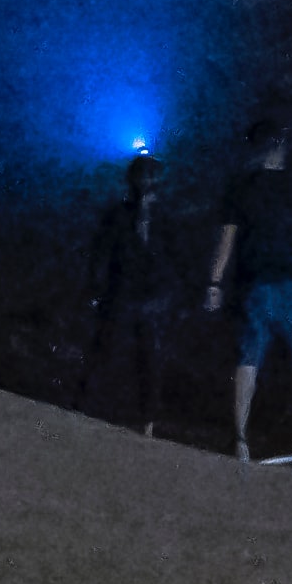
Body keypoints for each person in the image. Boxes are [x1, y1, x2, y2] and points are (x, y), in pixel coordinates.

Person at [208, 114, 292, 462]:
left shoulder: (242, 186)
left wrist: (214, 282)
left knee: (248, 360)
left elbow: (226, 241)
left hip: (255, 284)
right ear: (281, 146)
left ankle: (240, 440)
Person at [68, 146, 173, 430]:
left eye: (153, 180)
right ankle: (83, 408)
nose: (149, 186)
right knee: (105, 351)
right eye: (146, 179)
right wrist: (95, 290)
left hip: (149, 298)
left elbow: (174, 258)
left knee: (148, 359)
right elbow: (101, 254)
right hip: (123, 295)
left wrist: (169, 295)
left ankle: (147, 423)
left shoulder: (164, 219)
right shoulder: (118, 215)